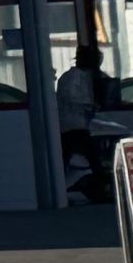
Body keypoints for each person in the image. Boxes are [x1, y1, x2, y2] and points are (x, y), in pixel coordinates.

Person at [55, 41, 109, 203]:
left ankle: (92, 187)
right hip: (72, 126)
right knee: (92, 158)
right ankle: (99, 189)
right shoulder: (74, 78)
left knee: (68, 158)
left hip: (74, 125)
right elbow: (73, 98)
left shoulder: (79, 77)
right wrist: (90, 104)